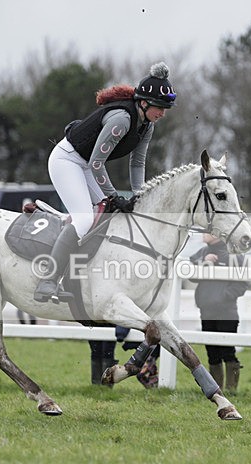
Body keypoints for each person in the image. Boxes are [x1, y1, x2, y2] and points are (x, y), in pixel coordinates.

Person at [34, 62, 177, 303]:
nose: (162, 113)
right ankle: (47, 280)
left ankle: (79, 276)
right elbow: (97, 163)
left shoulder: (147, 126)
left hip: (85, 163)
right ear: (143, 102)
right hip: (66, 161)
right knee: (84, 218)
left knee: (108, 218)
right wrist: (113, 195)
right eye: (160, 107)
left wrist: (140, 195)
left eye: (166, 108)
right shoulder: (121, 119)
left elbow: (137, 163)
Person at [189, 233, 248, 393]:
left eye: (207, 231)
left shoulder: (234, 255)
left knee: (228, 352)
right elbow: (191, 275)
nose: (203, 233)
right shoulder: (202, 253)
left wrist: (222, 297)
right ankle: (216, 392)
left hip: (227, 312)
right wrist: (205, 262)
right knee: (212, 353)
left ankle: (231, 391)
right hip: (206, 310)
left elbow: (242, 285)